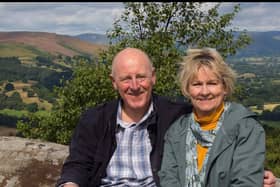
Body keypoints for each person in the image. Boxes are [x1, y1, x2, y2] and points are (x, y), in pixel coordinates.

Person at [56, 47, 276, 187]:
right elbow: (78, 164)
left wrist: (265, 176)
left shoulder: (173, 116)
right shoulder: (95, 119)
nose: (135, 86)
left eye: (141, 77)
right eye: (126, 79)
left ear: (153, 78)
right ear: (114, 82)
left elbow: (239, 157)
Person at [158, 48, 268, 187]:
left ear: (225, 87)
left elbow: (246, 182)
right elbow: (169, 179)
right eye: (197, 84)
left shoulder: (246, 129)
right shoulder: (176, 132)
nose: (204, 92)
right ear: (187, 90)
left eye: (212, 83)